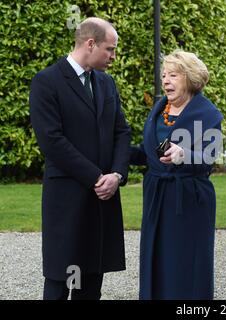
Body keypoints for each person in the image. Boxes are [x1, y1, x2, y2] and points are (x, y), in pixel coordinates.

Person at [29, 17, 131, 300]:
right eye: (110, 49)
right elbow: (52, 141)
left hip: (102, 201)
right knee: (62, 281)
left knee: (91, 283)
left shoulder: (107, 84)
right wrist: (97, 177)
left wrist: (117, 175)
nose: (113, 56)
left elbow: (122, 132)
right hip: (68, 200)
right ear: (90, 44)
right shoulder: (46, 82)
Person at [130, 50, 223, 300]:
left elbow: (210, 156)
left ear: (190, 78)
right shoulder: (159, 109)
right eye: (163, 76)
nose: (166, 81)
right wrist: (119, 153)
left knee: (186, 263)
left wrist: (185, 155)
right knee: (155, 258)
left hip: (190, 200)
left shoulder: (208, 114)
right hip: (157, 197)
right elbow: (149, 152)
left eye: (173, 75)